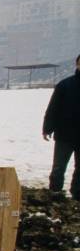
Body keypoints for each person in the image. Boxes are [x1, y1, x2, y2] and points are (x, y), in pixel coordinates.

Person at [42, 54, 80, 200]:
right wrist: (47, 128)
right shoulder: (65, 85)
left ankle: (77, 196)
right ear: (77, 65)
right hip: (65, 135)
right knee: (58, 168)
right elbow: (53, 108)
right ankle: (55, 193)